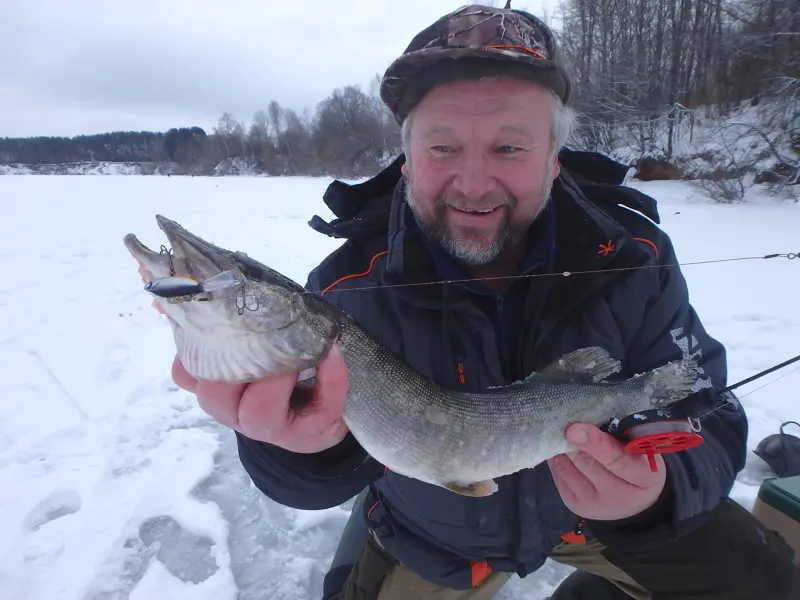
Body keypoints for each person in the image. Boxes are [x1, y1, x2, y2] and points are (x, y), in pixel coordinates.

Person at [171, 4, 800, 599]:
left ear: (553, 159)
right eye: (442, 147)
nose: (473, 184)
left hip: (592, 522)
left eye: (509, 147)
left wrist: (653, 498)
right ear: (409, 161)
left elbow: (703, 407)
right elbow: (313, 475)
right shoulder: (344, 289)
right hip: (436, 534)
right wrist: (299, 450)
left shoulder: (633, 258)